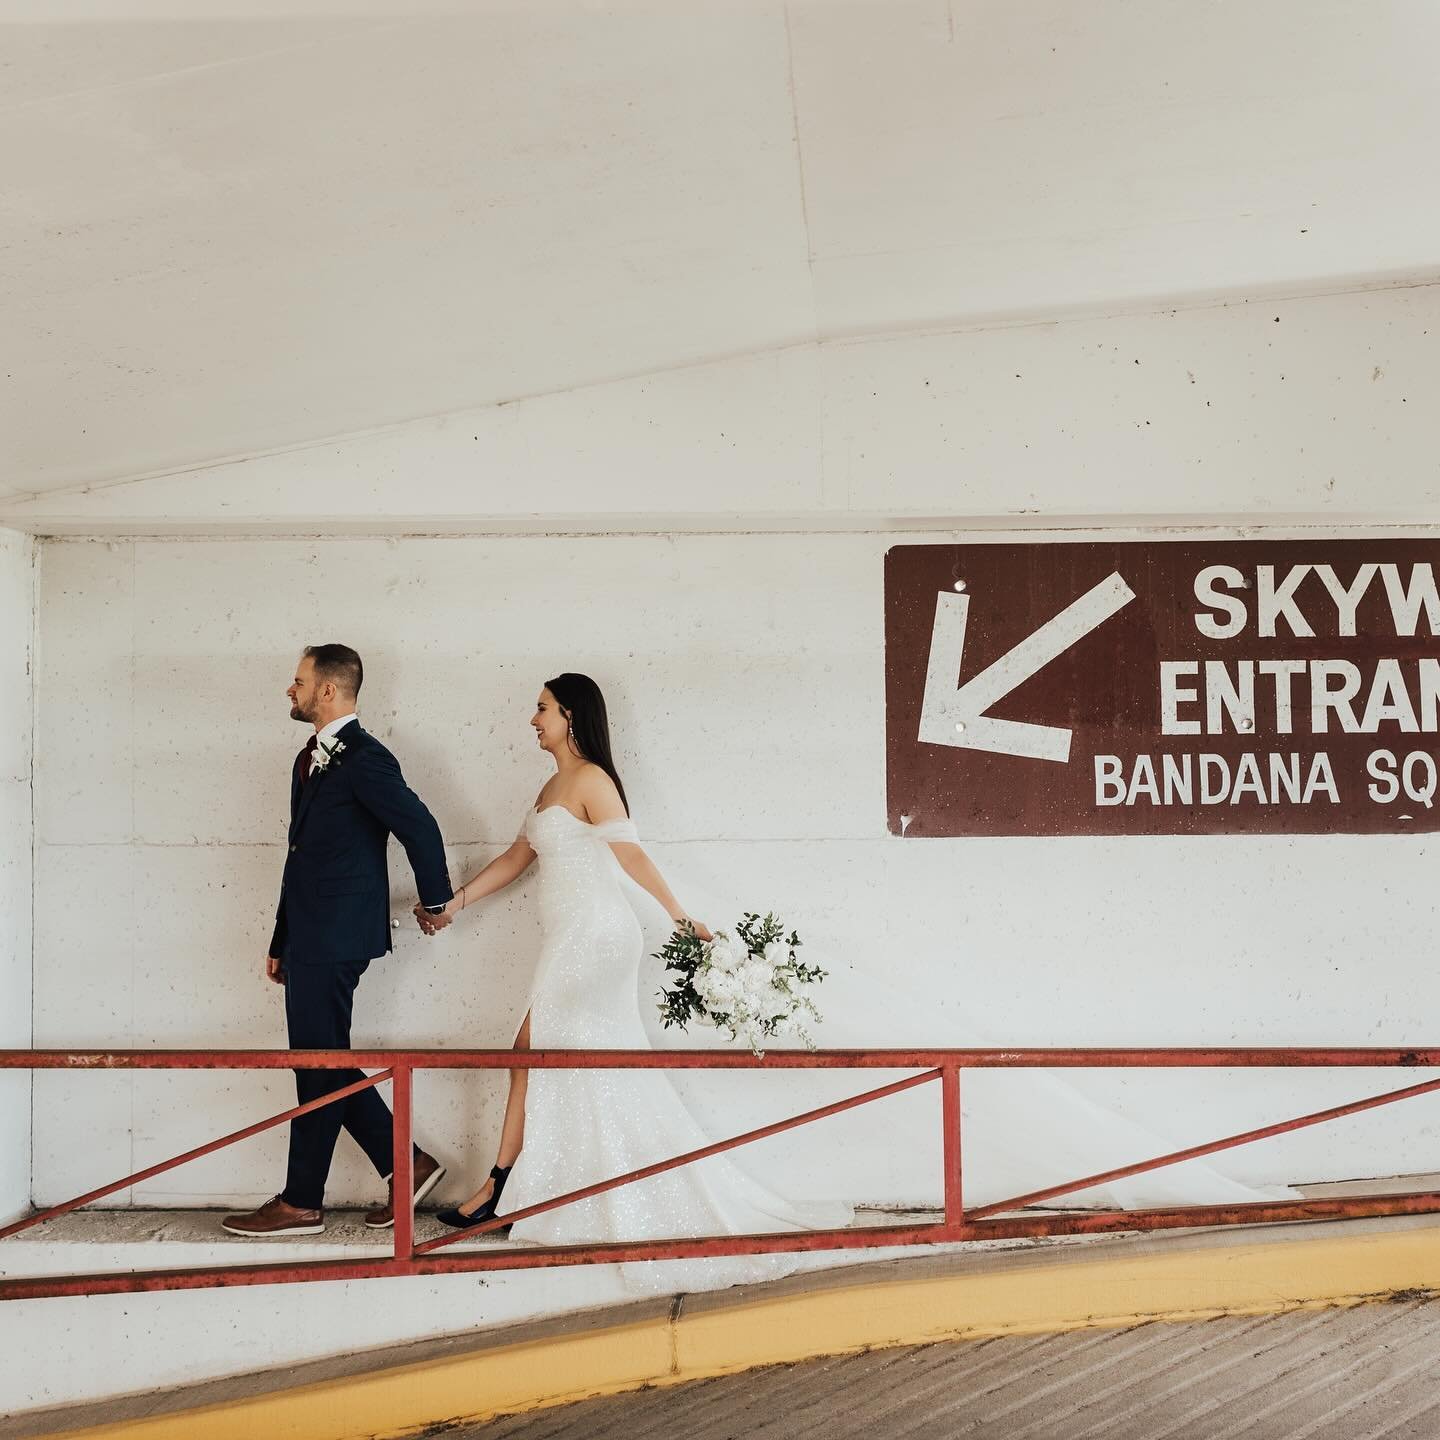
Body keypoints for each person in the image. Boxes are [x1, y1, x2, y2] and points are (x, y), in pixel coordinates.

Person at [419, 674, 851, 1289]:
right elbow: (519, 858)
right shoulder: (550, 787)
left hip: (596, 939)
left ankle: (502, 1185)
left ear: (570, 714)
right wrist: (457, 903)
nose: (532, 719)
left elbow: (632, 855)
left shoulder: (593, 780)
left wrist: (681, 920)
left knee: (532, 1052)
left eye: (541, 709)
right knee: (536, 1056)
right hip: (567, 938)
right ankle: (518, 1182)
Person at [223, 645, 454, 1237]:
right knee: (323, 1061)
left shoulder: (365, 759)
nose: (289, 690)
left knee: (317, 1063)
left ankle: (304, 1201)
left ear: (328, 690)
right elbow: (299, 858)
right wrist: (282, 939)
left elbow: (420, 827)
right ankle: (406, 1164)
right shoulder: (309, 758)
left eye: (298, 681)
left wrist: (436, 901)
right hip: (310, 936)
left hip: (338, 934)